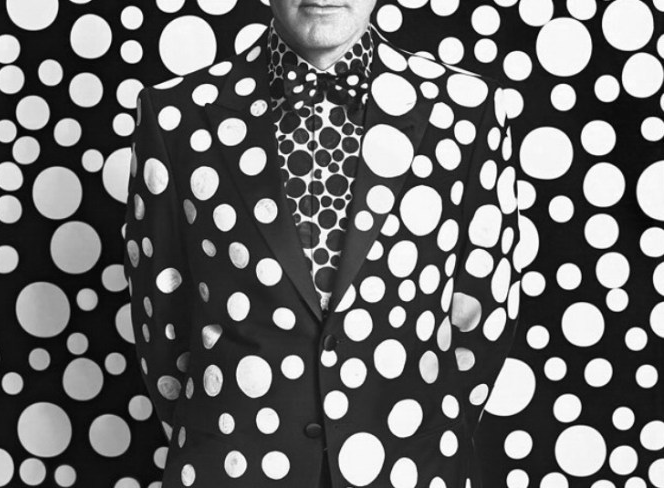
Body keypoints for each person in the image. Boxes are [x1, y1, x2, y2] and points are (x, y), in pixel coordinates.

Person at [123, 0, 522, 486]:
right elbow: (160, 315)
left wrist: (425, 431)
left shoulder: (468, 107)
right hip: (232, 464)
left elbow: (485, 308)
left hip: (413, 462)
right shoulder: (174, 114)